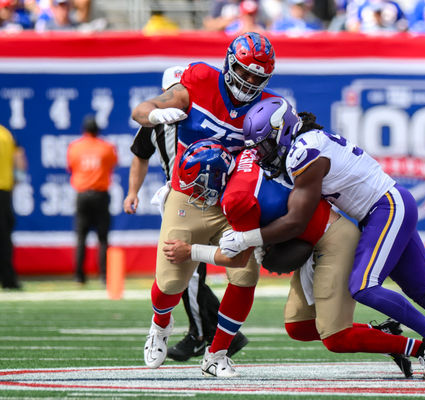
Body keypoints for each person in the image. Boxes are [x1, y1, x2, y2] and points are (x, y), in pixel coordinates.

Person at [219, 97, 425, 380]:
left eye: (264, 145)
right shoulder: (305, 145)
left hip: (385, 208)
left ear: (283, 132)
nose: (261, 155)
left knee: (363, 286)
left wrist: (247, 238)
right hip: (384, 208)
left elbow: (296, 221)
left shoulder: (305, 152)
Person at [163, 139, 425, 379]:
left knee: (335, 337)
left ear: (214, 177)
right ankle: (383, 336)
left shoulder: (235, 199)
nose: (199, 197)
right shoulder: (245, 157)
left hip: (332, 238)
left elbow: (238, 260)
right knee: (299, 327)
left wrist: (192, 252)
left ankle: (423, 348)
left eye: (200, 188)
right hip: (310, 236)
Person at [130, 31, 279, 369]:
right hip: (190, 195)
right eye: (244, 71)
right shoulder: (199, 81)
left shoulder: (269, 105)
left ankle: (218, 353)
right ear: (229, 63)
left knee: (244, 276)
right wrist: (155, 115)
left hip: (233, 201)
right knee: (170, 282)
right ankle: (160, 325)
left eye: (257, 76)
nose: (249, 80)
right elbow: (144, 109)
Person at [124, 66, 249, 363]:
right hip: (179, 197)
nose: (179, 100)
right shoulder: (156, 119)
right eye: (173, 94)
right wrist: (132, 192)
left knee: (216, 270)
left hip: (218, 198)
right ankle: (189, 329)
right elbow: (140, 155)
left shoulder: (208, 114)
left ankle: (202, 334)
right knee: (178, 273)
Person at [66, 115, 118, 284]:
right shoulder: (107, 147)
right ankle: (104, 276)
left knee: (81, 236)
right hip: (100, 194)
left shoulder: (74, 147)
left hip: (82, 195)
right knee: (102, 237)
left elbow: (71, 167)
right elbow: (112, 165)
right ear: (98, 130)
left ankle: (79, 276)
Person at [0, 123, 26, 290]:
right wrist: (15, 182)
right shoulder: (6, 134)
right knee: (3, 239)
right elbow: (19, 160)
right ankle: (8, 279)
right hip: (3, 191)